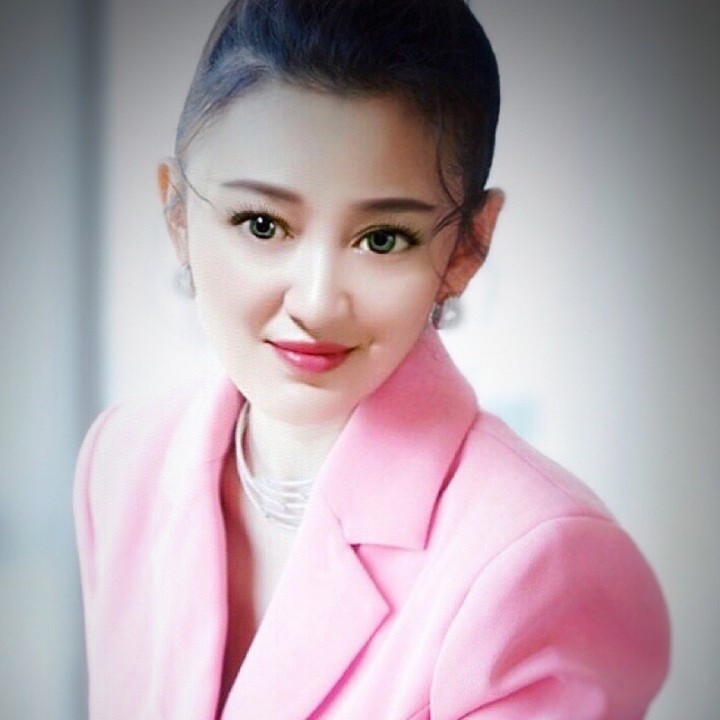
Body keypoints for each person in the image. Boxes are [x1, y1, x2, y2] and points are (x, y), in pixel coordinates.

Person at [73, 1, 671, 718]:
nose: (317, 303)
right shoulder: (123, 461)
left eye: (382, 238)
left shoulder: (537, 565)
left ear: (467, 248)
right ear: (178, 215)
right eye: (262, 224)